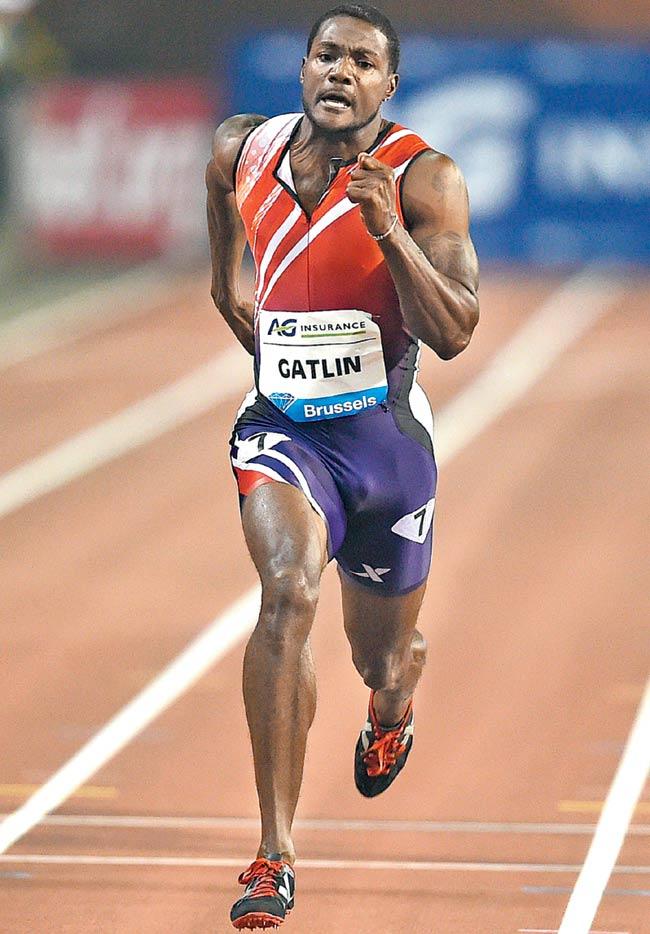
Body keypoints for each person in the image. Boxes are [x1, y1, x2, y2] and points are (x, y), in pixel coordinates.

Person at [205, 3, 479, 928]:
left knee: (379, 656)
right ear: (302, 69)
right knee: (287, 593)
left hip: (386, 449)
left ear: (387, 86)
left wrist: (391, 233)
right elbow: (218, 188)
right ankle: (273, 858)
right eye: (327, 55)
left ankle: (395, 700)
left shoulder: (423, 177)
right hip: (284, 428)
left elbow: (454, 332)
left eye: (362, 62)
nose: (340, 72)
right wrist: (224, 287)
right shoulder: (245, 150)